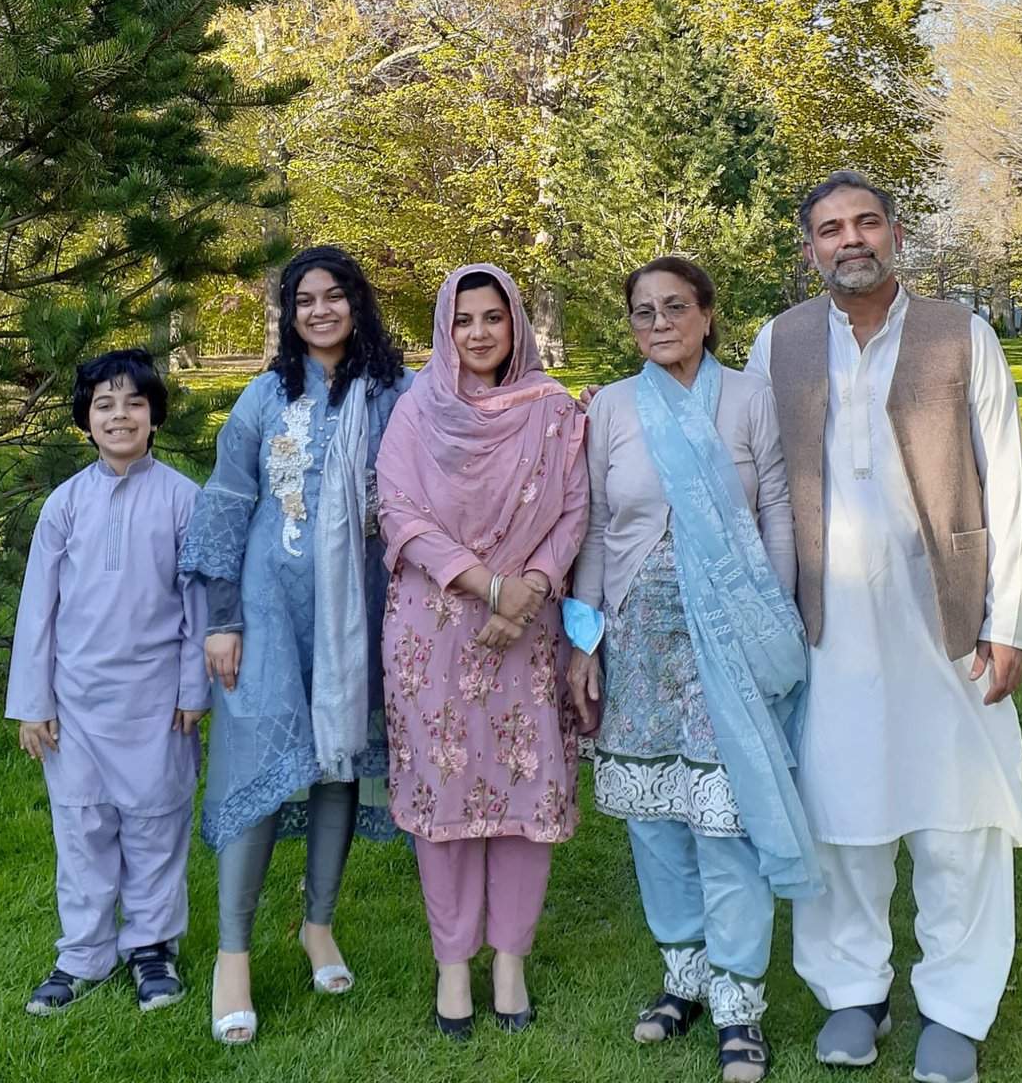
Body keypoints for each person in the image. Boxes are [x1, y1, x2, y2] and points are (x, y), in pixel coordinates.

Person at [744, 171, 1022, 1083]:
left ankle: (954, 1005)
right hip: (825, 621)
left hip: (943, 614)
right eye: (829, 228)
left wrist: (1009, 619)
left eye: (865, 222)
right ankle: (850, 992)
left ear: (896, 234)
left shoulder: (962, 333)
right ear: (808, 247)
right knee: (839, 810)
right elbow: (744, 465)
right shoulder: (779, 341)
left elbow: (1009, 484)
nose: (849, 239)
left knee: (959, 818)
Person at [568, 256, 821, 1083]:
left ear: (708, 315)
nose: (658, 323)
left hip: (730, 634)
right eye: (642, 312)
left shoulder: (747, 396)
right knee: (655, 822)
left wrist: (772, 619)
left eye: (675, 307)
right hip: (640, 639)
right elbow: (599, 524)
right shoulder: (609, 406)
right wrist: (584, 638)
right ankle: (683, 982)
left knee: (726, 818)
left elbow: (776, 505)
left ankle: (739, 1004)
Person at [179, 246, 412, 1045]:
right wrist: (221, 617)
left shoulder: (393, 393)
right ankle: (232, 954)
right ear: (289, 313)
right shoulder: (262, 396)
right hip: (266, 610)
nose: (318, 311)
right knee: (251, 763)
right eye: (303, 299)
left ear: (358, 303)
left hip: (361, 610)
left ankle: (318, 924)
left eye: (333, 295)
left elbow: (450, 451)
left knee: (335, 759)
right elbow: (225, 499)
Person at [376, 264, 588, 1039]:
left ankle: (510, 962)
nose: (476, 333)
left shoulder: (554, 409)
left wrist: (527, 586)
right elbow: (396, 509)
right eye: (462, 319)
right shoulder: (416, 409)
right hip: (434, 627)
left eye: (492, 318)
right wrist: (485, 588)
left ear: (515, 324)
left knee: (522, 796)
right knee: (445, 799)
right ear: (444, 326)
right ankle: (452, 965)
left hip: (525, 629)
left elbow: (573, 509)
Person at [6, 348, 209, 1016]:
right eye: (104, 404)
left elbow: (196, 606)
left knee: (155, 823)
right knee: (83, 825)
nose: (119, 415)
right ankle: (84, 952)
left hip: (156, 702)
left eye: (133, 402)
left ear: (154, 416)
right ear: (85, 421)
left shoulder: (184, 499)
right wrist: (33, 703)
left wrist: (191, 689)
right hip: (76, 705)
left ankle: (151, 948)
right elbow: (38, 610)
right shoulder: (64, 507)